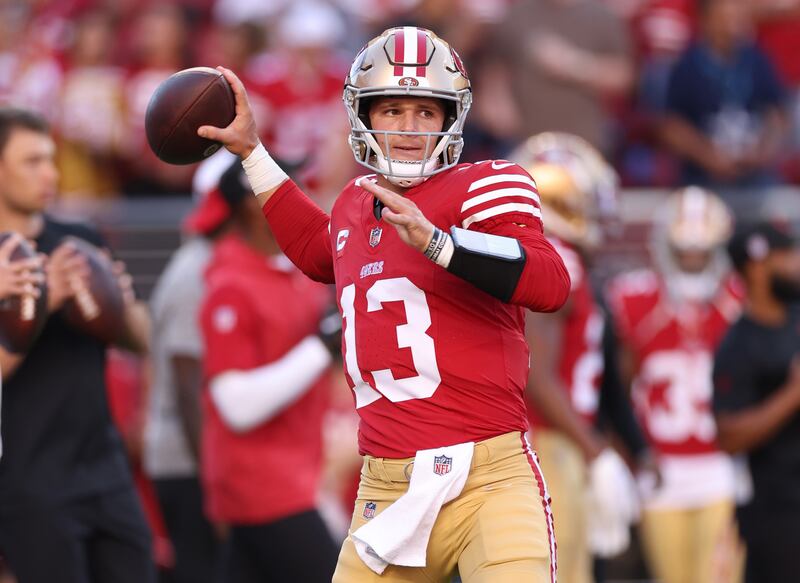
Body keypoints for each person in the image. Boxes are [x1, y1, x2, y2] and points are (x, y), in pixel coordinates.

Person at [199, 26, 571, 582]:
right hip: (387, 486)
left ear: (451, 117)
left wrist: (440, 244)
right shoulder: (355, 202)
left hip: (489, 479)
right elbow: (319, 251)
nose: (408, 128)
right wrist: (253, 153)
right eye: (392, 110)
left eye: (425, 111)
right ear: (364, 115)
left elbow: (549, 281)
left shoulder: (487, 185)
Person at [0, 107, 156, 583]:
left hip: (103, 465)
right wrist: (44, 296)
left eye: (51, 159)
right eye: (32, 161)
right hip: (30, 479)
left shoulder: (79, 238)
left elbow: (141, 341)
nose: (51, 173)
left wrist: (119, 303)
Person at [512, 132, 643, 583]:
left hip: (555, 440)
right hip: (548, 444)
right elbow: (535, 375)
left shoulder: (547, 258)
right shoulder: (556, 259)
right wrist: (596, 452)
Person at [199, 160, 338, 582]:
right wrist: (322, 347)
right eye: (278, 184)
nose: (296, 193)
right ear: (251, 204)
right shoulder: (230, 284)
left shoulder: (289, 272)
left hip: (293, 473)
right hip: (263, 485)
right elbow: (236, 404)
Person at [607, 187, 742, 583]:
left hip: (720, 466)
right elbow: (619, 387)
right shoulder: (636, 299)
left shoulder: (738, 300)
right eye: (684, 250)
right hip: (661, 470)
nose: (693, 260)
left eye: (702, 252)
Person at [142, 152, 236, 583]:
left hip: (199, 459)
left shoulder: (216, 264)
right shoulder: (197, 271)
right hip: (188, 462)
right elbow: (187, 385)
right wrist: (215, 485)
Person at [712, 222, 800, 582]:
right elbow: (729, 435)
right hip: (776, 511)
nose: (796, 264)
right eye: (787, 255)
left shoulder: (797, 318)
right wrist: (792, 395)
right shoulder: (737, 346)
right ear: (758, 266)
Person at [660, 0, 788, 191]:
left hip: (756, 176)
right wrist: (708, 156)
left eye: (737, 15)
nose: (732, 24)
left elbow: (777, 113)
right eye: (724, 17)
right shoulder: (686, 67)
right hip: (702, 178)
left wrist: (763, 150)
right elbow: (670, 126)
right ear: (705, 20)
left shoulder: (758, 61)